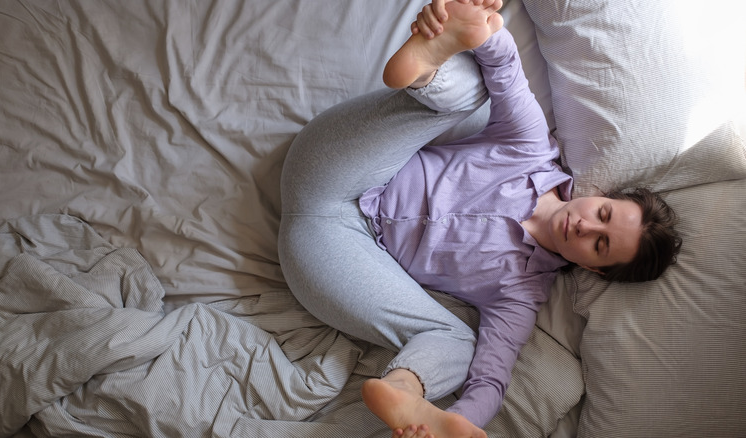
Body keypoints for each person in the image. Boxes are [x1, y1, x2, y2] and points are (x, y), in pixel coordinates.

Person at [278, 1, 682, 437]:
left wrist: (467, 421)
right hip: (334, 166)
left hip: (327, 254)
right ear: (600, 197)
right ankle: (432, 60)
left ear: (591, 267)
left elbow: (493, 375)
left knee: (458, 341)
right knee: (477, 90)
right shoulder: (531, 148)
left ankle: (402, 392)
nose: (586, 226)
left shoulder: (520, 295)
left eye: (599, 243)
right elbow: (507, 72)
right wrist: (486, 27)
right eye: (603, 214)